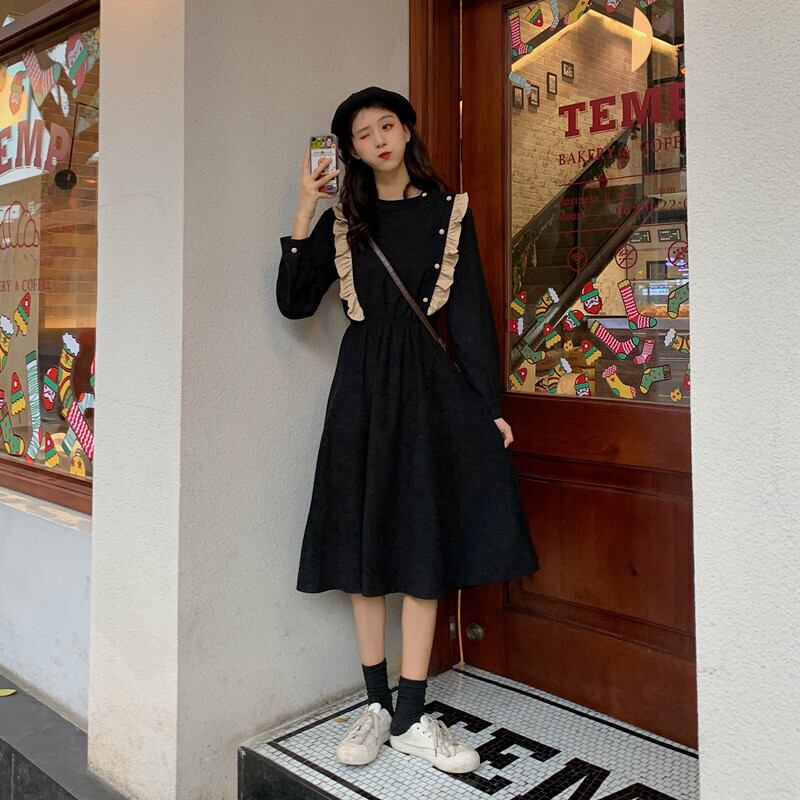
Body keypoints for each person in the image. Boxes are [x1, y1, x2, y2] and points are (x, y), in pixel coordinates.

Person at [276, 86, 539, 774]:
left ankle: (412, 714)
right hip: (362, 392)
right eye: (363, 135)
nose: (379, 140)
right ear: (352, 151)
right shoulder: (343, 221)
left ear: (406, 130)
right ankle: (374, 703)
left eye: (386, 125)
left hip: (428, 393)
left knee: (423, 544)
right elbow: (294, 304)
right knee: (365, 545)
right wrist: (305, 207)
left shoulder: (448, 212)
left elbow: (471, 316)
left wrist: (488, 406)